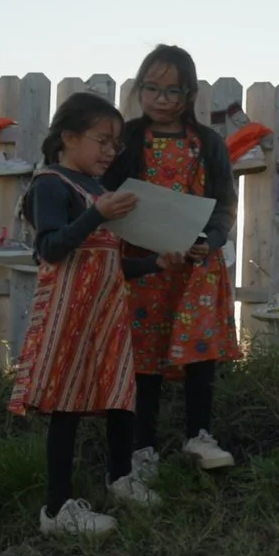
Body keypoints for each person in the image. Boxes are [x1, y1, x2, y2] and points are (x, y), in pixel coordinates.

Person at [8, 92, 166, 536]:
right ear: (68, 138)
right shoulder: (50, 185)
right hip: (69, 311)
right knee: (67, 403)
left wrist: (155, 263)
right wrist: (95, 215)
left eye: (115, 144)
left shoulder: (100, 192)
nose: (110, 152)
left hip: (107, 310)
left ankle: (120, 480)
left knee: (120, 392)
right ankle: (57, 510)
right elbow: (50, 248)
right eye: (102, 140)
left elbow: (110, 261)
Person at [105, 43, 240, 476]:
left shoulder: (209, 143)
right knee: (144, 357)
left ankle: (199, 435)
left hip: (196, 266)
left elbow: (224, 205)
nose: (161, 100)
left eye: (173, 91)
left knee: (200, 352)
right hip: (144, 266)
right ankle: (142, 447)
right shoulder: (124, 139)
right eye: (152, 88)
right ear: (139, 88)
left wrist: (212, 239)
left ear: (189, 95)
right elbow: (103, 194)